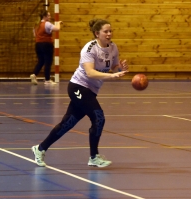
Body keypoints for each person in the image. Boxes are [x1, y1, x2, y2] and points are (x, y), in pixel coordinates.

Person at [31, 18, 128, 168]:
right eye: (106, 31)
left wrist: (120, 68)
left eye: (110, 31)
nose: (109, 34)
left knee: (67, 124)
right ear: (97, 33)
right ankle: (94, 157)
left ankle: (40, 148)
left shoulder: (113, 47)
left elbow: (114, 67)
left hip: (91, 90)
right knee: (98, 117)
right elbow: (90, 73)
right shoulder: (89, 49)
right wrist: (111, 76)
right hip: (78, 87)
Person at [30, 10, 62, 85]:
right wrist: (59, 23)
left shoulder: (36, 25)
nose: (50, 17)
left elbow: (35, 35)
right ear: (45, 17)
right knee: (48, 62)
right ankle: (47, 80)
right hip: (47, 44)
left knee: (41, 61)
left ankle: (34, 74)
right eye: (48, 15)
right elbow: (57, 29)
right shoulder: (47, 24)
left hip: (38, 45)